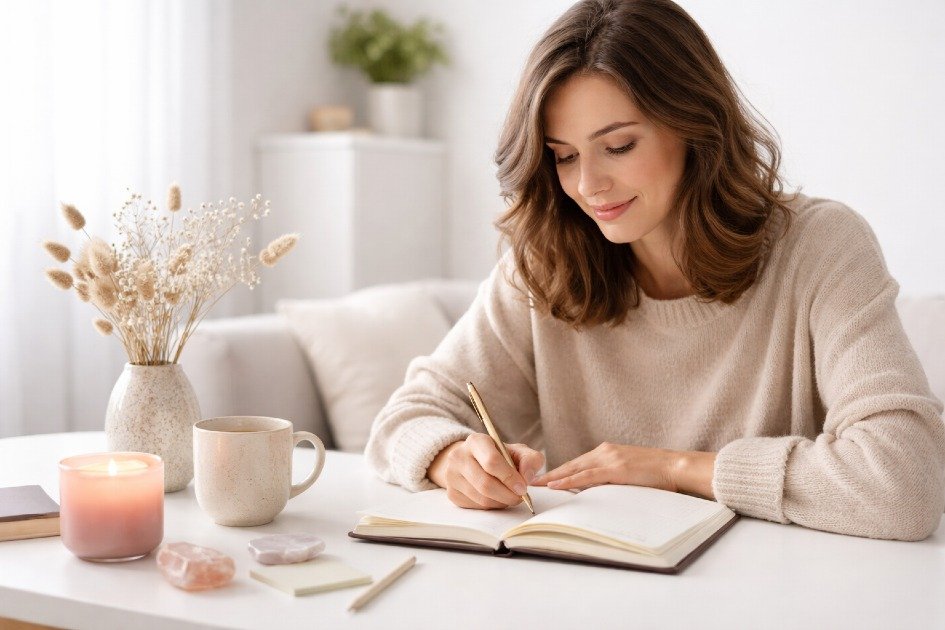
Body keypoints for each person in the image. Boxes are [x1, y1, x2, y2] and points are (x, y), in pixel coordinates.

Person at [364, 0, 945, 541]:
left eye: (618, 146)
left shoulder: (820, 246)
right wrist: (452, 459)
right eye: (564, 156)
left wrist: (672, 470)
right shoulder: (547, 260)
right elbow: (404, 419)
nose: (588, 185)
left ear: (693, 125)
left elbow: (906, 482)